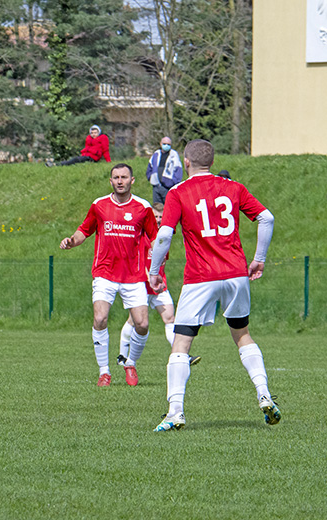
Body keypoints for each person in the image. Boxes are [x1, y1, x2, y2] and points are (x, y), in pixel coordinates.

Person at [149, 139, 279, 431]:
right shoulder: (233, 188)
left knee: (181, 342)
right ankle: (264, 395)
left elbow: (164, 236)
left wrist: (154, 270)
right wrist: (258, 259)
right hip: (235, 273)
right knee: (243, 335)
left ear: (186, 161)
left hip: (200, 276)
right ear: (211, 159)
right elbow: (266, 218)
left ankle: (175, 412)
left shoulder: (178, 192)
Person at [60, 163, 158, 386]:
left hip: (133, 275)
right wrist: (71, 241)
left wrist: (156, 270)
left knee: (142, 324)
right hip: (104, 272)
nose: (120, 181)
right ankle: (104, 372)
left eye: (124, 177)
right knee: (100, 318)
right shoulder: (99, 205)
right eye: (116, 177)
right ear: (111, 181)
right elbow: (84, 230)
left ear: (132, 180)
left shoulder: (143, 207)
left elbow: (155, 238)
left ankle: (130, 363)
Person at [117, 202, 201, 367]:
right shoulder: (141, 235)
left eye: (161, 217)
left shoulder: (163, 237)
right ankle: (122, 355)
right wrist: (148, 278)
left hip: (160, 286)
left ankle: (181, 355)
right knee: (133, 321)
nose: (158, 219)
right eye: (155, 216)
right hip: (141, 285)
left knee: (170, 318)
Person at [46, 125, 111, 167]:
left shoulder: (103, 138)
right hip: (86, 156)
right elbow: (87, 148)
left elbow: (105, 150)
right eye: (92, 133)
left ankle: (56, 164)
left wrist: (108, 161)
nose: (93, 134)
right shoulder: (89, 139)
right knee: (75, 160)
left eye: (95, 133)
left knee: (75, 160)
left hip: (93, 157)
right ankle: (57, 164)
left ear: (99, 132)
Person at [145, 137, 183, 204]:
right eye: (164, 144)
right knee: (157, 208)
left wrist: (173, 183)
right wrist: (150, 177)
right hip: (156, 186)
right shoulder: (156, 154)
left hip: (167, 187)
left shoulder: (174, 155)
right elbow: (150, 167)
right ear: (160, 144)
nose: (166, 146)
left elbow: (178, 170)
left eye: (168, 144)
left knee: (169, 207)